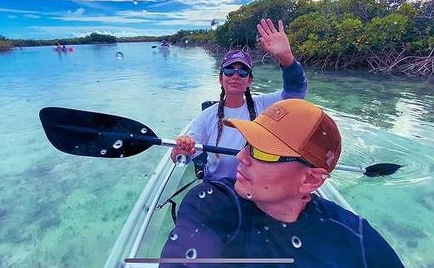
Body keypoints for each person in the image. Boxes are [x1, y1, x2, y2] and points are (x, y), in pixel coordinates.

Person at [161, 99, 404, 267]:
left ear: (310, 179)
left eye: (263, 152)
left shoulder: (359, 241)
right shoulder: (211, 203)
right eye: (247, 143)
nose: (241, 157)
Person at [171, 18, 308, 181]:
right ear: (220, 79)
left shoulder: (265, 105)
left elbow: (296, 91)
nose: (235, 76)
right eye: (229, 70)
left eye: (243, 72)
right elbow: (183, 156)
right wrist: (180, 150)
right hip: (218, 187)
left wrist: (286, 58)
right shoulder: (206, 117)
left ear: (249, 81)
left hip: (256, 185)